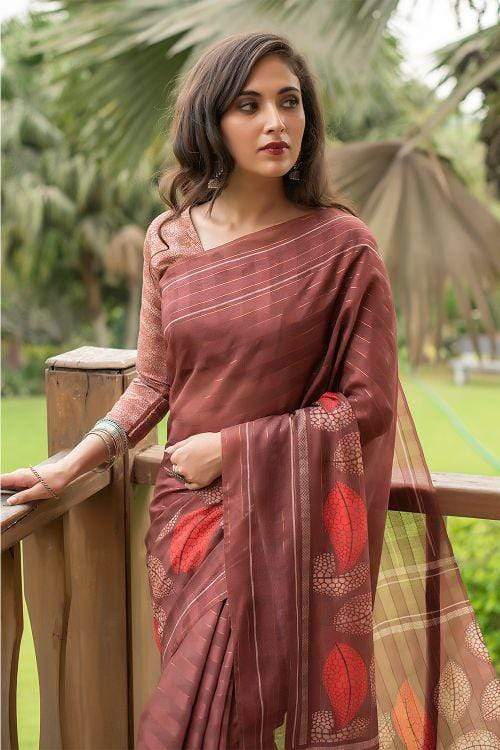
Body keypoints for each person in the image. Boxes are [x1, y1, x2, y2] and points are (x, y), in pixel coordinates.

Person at [2, 31, 498, 750]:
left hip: (283, 523)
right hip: (186, 528)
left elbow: (370, 407)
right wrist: (70, 463)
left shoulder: (342, 248)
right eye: (250, 104)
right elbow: (153, 381)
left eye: (289, 102)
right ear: (213, 120)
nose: (276, 122)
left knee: (188, 727)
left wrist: (235, 450)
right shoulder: (169, 239)